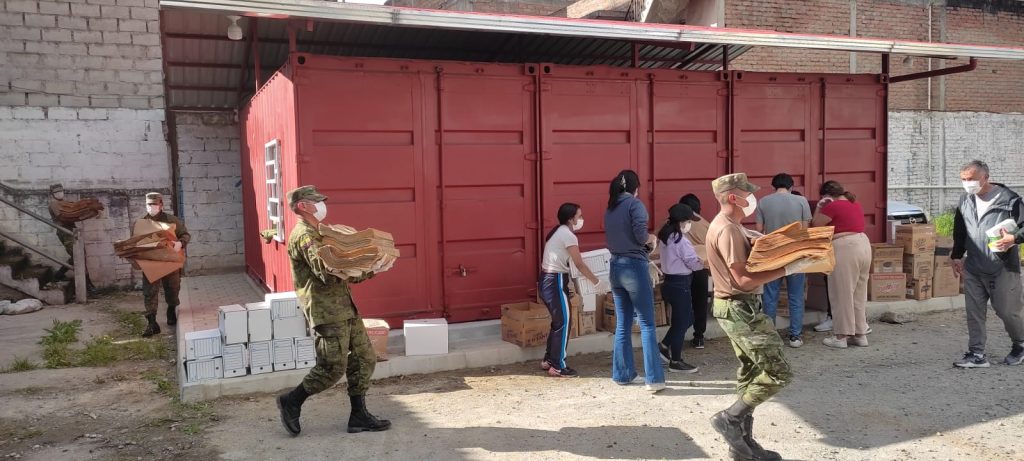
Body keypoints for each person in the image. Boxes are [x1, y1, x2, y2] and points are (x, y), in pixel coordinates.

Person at [707, 173, 813, 461]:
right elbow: (741, 279)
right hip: (739, 305)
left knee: (751, 373)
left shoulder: (732, 227)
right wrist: (788, 269)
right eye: (747, 193)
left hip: (738, 305)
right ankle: (729, 419)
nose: (752, 198)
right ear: (733, 197)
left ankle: (742, 446)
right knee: (779, 372)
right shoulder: (727, 229)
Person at [276, 185, 391, 436]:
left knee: (364, 358)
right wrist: (362, 264)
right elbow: (327, 271)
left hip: (345, 307)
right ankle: (291, 401)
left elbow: (344, 275)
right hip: (326, 312)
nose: (321, 205)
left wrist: (372, 266)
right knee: (331, 368)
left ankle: (358, 416)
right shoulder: (304, 235)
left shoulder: (322, 232)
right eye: (315, 201)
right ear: (302, 206)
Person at [951, 160, 1024, 367]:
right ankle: (977, 354)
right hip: (974, 266)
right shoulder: (965, 200)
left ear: (985, 177)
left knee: (1007, 311)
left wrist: (1014, 238)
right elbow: (960, 230)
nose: (968, 184)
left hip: (1002, 267)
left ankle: (1020, 345)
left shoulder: (1010, 200)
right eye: (964, 180)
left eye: (972, 179)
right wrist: (957, 256)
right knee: (974, 312)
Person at [604, 170, 665, 393]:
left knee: (623, 324)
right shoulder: (634, 205)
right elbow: (641, 236)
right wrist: (652, 239)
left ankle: (623, 374)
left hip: (615, 266)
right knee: (647, 323)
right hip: (634, 266)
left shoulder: (610, 207)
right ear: (635, 188)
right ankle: (654, 379)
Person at [539, 202, 603, 378]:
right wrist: (597, 282)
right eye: (579, 216)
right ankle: (558, 366)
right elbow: (579, 263)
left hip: (549, 280)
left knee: (559, 322)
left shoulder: (558, 232)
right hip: (555, 281)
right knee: (565, 323)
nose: (581, 219)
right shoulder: (568, 235)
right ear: (570, 218)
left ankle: (549, 360)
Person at [754, 173, 812, 348]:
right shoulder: (801, 201)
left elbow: (759, 231)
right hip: (795, 254)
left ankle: (770, 335)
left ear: (773, 186)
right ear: (791, 186)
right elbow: (805, 230)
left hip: (772, 254)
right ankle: (795, 336)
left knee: (770, 296)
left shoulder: (763, 202)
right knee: (795, 296)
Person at [811, 181, 871, 349]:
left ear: (826, 195)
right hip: (864, 245)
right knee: (858, 294)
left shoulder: (832, 206)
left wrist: (819, 207)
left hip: (845, 247)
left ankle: (841, 337)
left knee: (841, 293)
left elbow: (815, 226)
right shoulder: (855, 204)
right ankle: (860, 335)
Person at [656, 203, 704, 373]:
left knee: (685, 319)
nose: (690, 225)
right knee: (683, 321)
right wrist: (704, 262)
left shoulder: (665, 236)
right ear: (682, 222)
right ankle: (675, 360)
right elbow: (692, 263)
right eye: (689, 221)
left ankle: (664, 346)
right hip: (680, 283)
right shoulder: (680, 241)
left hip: (669, 283)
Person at [138, 192, 189, 337]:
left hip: (169, 261)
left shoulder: (172, 221)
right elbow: (134, 242)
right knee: (149, 292)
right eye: (149, 204)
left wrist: (180, 243)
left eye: (155, 204)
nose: (152, 207)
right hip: (151, 262)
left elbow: (185, 234)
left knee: (173, 289)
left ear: (161, 205)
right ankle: (152, 322)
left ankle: (171, 309)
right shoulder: (141, 222)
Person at [47, 184, 97, 289]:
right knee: (77, 256)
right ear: (52, 194)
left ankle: (59, 275)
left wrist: (88, 212)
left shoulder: (66, 203)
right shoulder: (54, 204)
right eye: (56, 192)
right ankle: (88, 285)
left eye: (61, 191)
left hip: (72, 231)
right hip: (65, 232)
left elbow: (76, 214)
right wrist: (79, 212)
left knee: (78, 255)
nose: (59, 194)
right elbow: (65, 217)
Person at [679, 194, 711, 350]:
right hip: (701, 268)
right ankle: (699, 337)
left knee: (682, 302)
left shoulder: (673, 221)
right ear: (699, 208)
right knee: (700, 302)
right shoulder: (706, 224)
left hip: (681, 269)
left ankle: (677, 334)